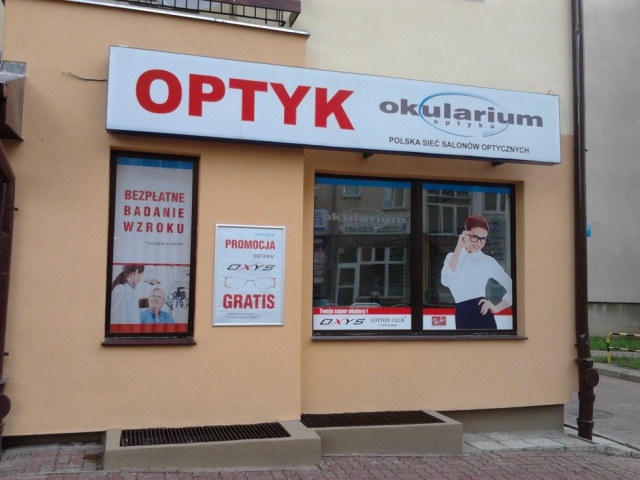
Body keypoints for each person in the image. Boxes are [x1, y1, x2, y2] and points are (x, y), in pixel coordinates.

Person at [440, 215, 512, 329]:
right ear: (466, 234)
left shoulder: (487, 261)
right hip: (461, 315)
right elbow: (446, 281)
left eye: (483, 239)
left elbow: (514, 288)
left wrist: (497, 308)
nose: (479, 243)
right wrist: (458, 247)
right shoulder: (452, 257)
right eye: (475, 237)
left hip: (483, 315)